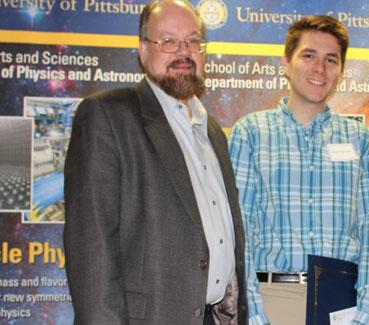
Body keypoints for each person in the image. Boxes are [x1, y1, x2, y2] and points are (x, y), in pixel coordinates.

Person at [63, 0, 247, 323]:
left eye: (193, 41)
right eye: (168, 41)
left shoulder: (213, 132)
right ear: (143, 51)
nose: (183, 51)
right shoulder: (107, 116)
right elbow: (92, 251)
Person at [228, 15, 369, 325]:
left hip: (343, 305)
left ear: (342, 71)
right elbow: (240, 236)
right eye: (309, 56)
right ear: (286, 62)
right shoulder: (250, 134)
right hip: (272, 302)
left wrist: (366, 318)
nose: (320, 69)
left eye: (331, 60)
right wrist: (253, 315)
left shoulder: (362, 141)